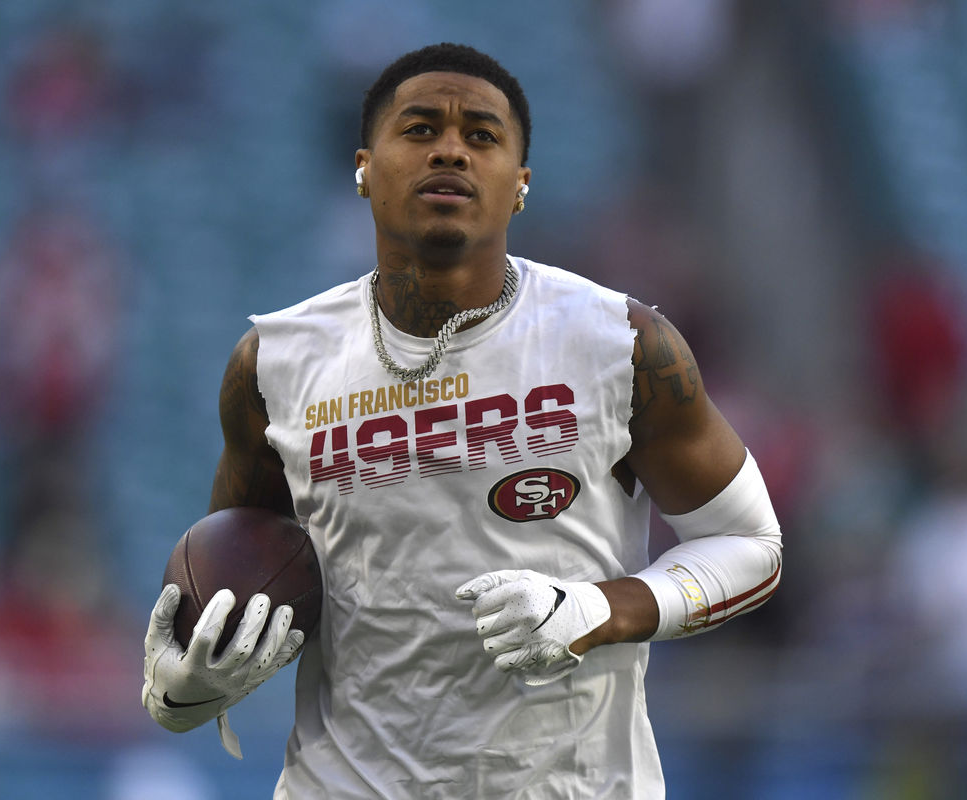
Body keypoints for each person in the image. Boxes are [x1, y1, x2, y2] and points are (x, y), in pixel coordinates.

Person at [141, 43, 782, 798]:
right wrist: (191, 686)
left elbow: (751, 547)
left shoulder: (622, 343)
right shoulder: (273, 363)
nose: (450, 149)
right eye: (419, 129)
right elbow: (241, 585)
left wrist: (598, 609)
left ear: (521, 184)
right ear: (363, 167)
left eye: (482, 135)